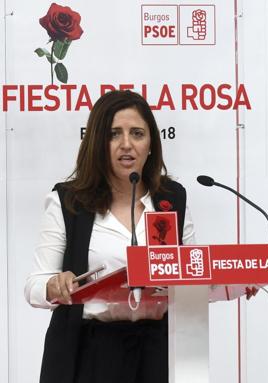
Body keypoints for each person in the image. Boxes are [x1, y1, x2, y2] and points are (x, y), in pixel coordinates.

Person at [24, 90, 195, 383]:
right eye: (114, 134)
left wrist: (230, 283)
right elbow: (34, 286)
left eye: (137, 133)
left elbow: (192, 272)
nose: (126, 144)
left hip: (159, 350)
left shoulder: (172, 199)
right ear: (97, 143)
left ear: (151, 143)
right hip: (91, 351)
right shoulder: (67, 201)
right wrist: (54, 286)